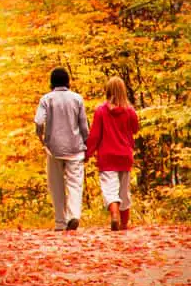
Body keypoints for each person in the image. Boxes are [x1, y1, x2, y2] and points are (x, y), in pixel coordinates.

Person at [34, 67, 89, 231]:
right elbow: (84, 126)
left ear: (52, 82)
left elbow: (38, 121)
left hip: (54, 149)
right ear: (67, 81)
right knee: (75, 184)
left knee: (56, 184)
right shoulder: (77, 99)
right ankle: (73, 216)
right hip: (75, 148)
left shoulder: (46, 99)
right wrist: (86, 142)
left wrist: (41, 138)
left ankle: (60, 222)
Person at [85, 76, 140, 231]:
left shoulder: (100, 111)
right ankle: (124, 223)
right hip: (125, 155)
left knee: (110, 189)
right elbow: (135, 129)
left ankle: (114, 214)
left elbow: (95, 135)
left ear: (107, 91)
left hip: (107, 156)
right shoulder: (130, 111)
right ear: (123, 91)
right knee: (124, 191)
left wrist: (88, 153)